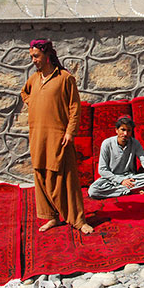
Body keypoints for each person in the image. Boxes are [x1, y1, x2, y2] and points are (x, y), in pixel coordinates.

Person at [20, 40, 93, 234]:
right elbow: (24, 93)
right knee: (41, 175)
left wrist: (70, 131)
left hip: (59, 136)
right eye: (32, 57)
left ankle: (78, 220)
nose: (33, 60)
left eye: (36, 56)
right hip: (38, 135)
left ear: (47, 55)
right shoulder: (34, 79)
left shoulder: (64, 78)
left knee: (65, 178)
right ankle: (51, 217)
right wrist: (34, 103)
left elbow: (74, 107)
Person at [88, 116, 144, 199]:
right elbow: (102, 170)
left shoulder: (135, 143)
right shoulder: (107, 144)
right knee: (93, 191)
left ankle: (124, 191)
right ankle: (130, 190)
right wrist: (120, 181)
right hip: (111, 179)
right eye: (123, 130)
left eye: (128, 131)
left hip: (129, 177)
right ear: (116, 130)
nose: (125, 134)